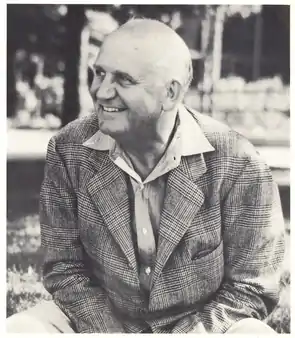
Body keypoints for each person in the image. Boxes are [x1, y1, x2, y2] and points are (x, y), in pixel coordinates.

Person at [7, 18, 285, 334]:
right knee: (21, 329)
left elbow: (251, 287)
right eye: (99, 74)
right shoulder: (68, 149)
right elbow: (65, 270)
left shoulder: (239, 162)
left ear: (171, 92)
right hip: (98, 324)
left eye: (123, 80)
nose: (101, 91)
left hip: (200, 328)